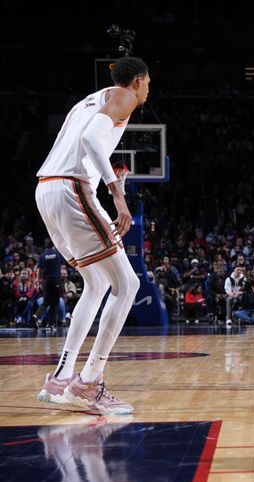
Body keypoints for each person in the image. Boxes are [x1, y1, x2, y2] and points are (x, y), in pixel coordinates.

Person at [34, 56, 149, 414]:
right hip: (71, 190)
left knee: (96, 284)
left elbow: (78, 145)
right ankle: (89, 382)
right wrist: (117, 193)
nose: (147, 90)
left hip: (46, 190)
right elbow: (90, 140)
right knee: (128, 285)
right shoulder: (123, 96)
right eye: (148, 83)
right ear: (138, 81)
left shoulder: (86, 101)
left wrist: (108, 178)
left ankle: (61, 378)